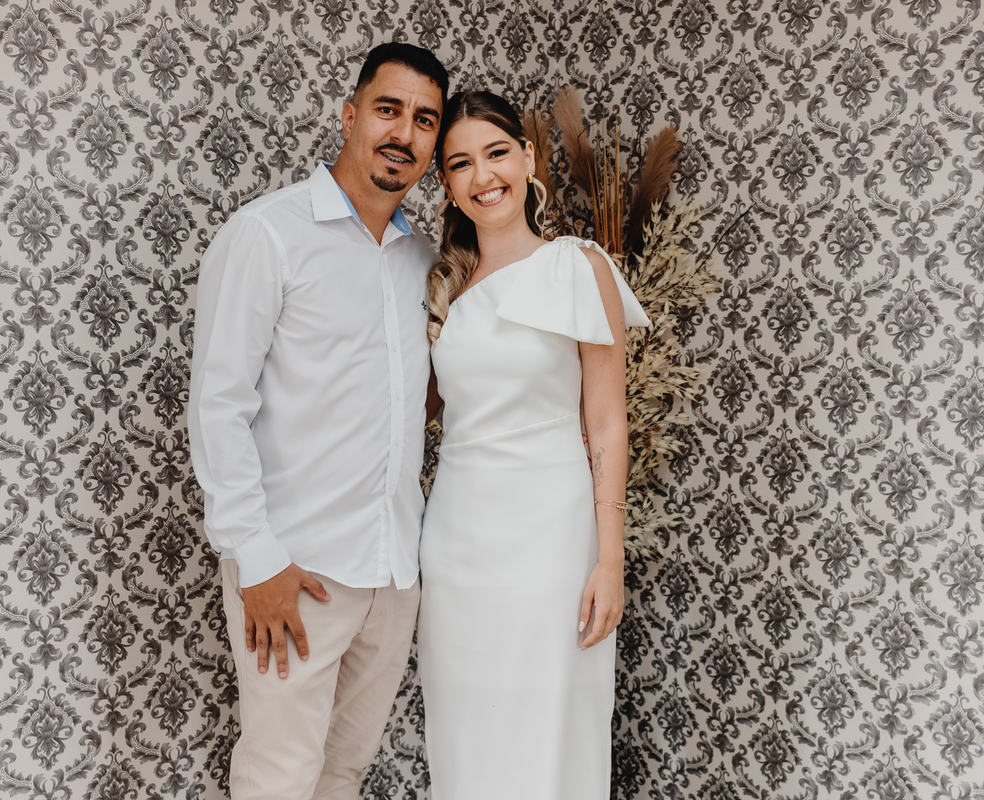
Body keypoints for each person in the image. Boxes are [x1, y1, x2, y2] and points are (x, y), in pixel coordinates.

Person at [187, 43, 448, 800]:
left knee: (343, 774)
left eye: (424, 120)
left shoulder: (423, 259)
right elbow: (219, 402)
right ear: (350, 115)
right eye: (388, 109)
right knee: (279, 777)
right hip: (295, 568)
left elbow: (409, 400)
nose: (403, 132)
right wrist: (256, 558)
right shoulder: (268, 234)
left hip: (392, 572)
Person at [417, 91, 650, 799]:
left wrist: (609, 560)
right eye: (461, 163)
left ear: (526, 158)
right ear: (446, 183)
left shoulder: (577, 268)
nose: (483, 176)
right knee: (468, 741)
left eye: (496, 153)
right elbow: (420, 411)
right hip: (457, 546)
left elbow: (607, 422)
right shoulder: (441, 289)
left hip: (553, 542)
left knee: (551, 734)